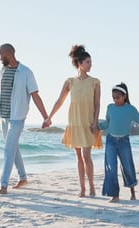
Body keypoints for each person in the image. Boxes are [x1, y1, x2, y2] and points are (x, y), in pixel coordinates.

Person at [0, 43, 49, 195]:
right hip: (4, 117)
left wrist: (46, 117)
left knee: (8, 150)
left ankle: (3, 185)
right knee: (13, 148)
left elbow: (35, 95)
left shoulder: (26, 72)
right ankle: (23, 178)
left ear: (8, 54)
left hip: (17, 117)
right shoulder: (2, 71)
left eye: (0, 55)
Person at [42, 45, 102, 197]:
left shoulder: (95, 82)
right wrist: (49, 117)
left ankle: (92, 187)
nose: (91, 65)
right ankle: (82, 189)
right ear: (80, 64)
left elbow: (97, 104)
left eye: (91, 62)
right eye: (88, 62)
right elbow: (60, 101)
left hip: (88, 122)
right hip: (74, 122)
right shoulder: (70, 82)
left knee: (87, 156)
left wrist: (95, 122)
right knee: (78, 157)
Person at [99, 83, 139, 203]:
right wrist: (96, 126)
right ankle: (114, 195)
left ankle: (132, 192)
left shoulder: (130, 110)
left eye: (118, 97)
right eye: (113, 98)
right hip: (111, 140)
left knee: (127, 167)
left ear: (124, 96)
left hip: (124, 142)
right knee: (110, 167)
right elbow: (107, 123)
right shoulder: (110, 107)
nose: (115, 100)